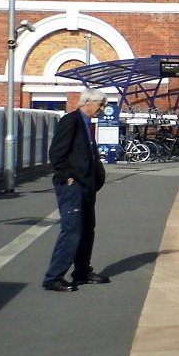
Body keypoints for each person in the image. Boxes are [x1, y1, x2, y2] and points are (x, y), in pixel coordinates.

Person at [42, 88, 110, 293]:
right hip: (73, 186)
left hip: (87, 185)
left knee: (87, 229)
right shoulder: (71, 121)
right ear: (88, 102)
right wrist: (66, 177)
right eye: (100, 104)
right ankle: (53, 277)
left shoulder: (87, 124)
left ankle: (82, 271)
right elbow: (56, 152)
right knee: (72, 229)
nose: (102, 109)